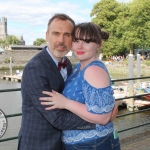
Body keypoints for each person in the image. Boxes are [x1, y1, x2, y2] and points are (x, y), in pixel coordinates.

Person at [18, 14, 96, 150]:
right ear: (47, 36)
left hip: (64, 143)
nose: (61, 40)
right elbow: (57, 118)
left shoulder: (68, 64)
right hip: (38, 145)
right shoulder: (35, 68)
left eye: (67, 35)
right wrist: (98, 119)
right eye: (56, 34)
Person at [40, 22, 121, 150]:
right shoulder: (78, 67)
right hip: (84, 143)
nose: (80, 46)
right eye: (76, 40)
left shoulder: (93, 70)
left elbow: (103, 118)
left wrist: (66, 103)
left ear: (98, 45)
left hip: (94, 144)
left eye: (87, 42)